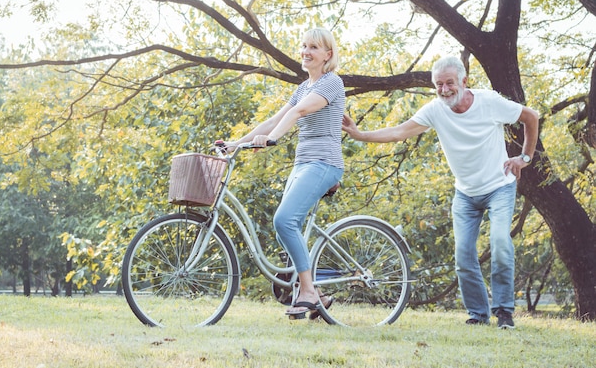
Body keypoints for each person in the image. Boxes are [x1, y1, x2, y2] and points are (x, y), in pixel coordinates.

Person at [341, 56, 539, 329]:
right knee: (463, 254)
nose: (444, 90)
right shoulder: (435, 110)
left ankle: (504, 312)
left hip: (499, 187)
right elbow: (400, 132)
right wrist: (361, 134)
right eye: (439, 85)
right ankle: (478, 314)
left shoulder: (489, 102)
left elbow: (531, 116)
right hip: (466, 193)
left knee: (500, 243)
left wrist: (524, 158)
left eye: (449, 83)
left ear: (464, 81)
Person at [227, 27, 345, 318]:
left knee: (284, 219)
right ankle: (316, 294)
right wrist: (236, 143)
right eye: (304, 46)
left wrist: (273, 139)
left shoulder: (332, 83)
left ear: (327, 55)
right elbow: (275, 118)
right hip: (303, 164)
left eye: (314, 47)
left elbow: (298, 114)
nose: (306, 52)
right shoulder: (303, 87)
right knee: (284, 230)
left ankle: (305, 291)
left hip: (324, 162)